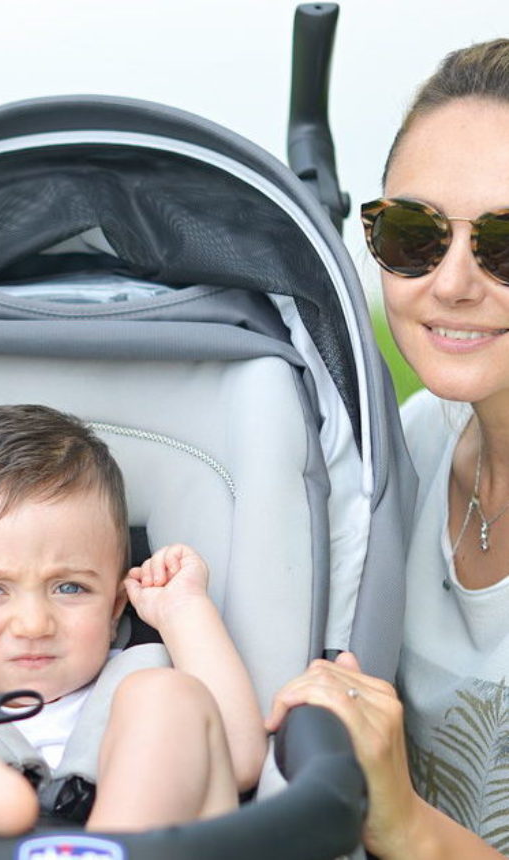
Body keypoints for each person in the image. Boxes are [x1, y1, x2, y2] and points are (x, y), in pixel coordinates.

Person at [266, 39, 509, 859]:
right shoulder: (403, 449)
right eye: (415, 234)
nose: (451, 283)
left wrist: (404, 822)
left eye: (506, 246)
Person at [0, 404, 267, 836]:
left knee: (170, 695)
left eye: (70, 588)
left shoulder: (144, 689)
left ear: (115, 607)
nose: (34, 624)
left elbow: (241, 761)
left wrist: (183, 611)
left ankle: (87, 839)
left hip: (140, 831)